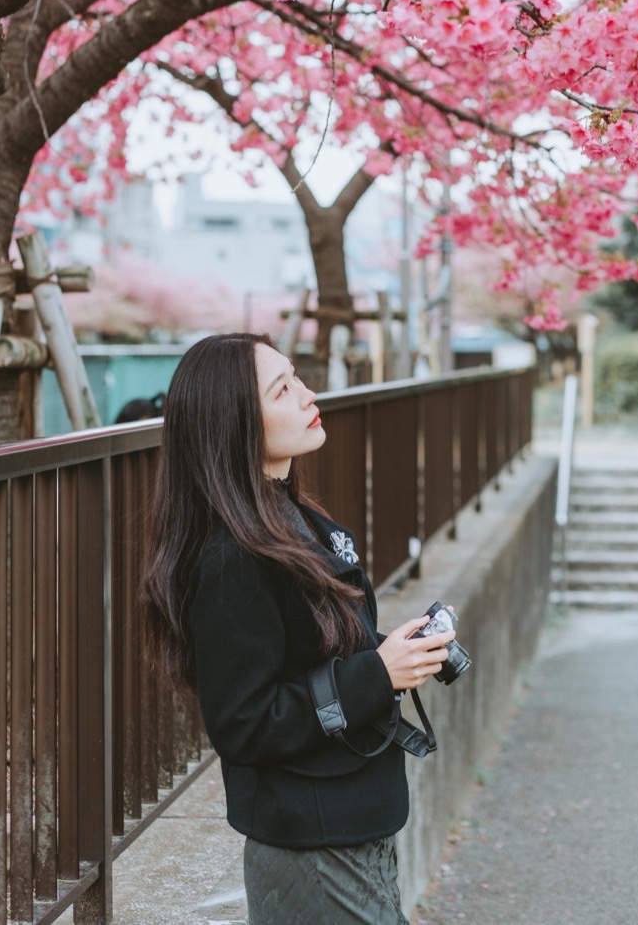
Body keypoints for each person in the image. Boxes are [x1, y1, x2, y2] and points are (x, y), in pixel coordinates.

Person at [142, 332, 455, 925]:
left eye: (296, 377)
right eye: (282, 389)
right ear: (235, 423)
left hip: (349, 823)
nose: (308, 394)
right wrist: (378, 673)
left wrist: (390, 658)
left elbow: (319, 662)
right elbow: (243, 723)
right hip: (312, 843)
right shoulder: (234, 556)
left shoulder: (293, 520)